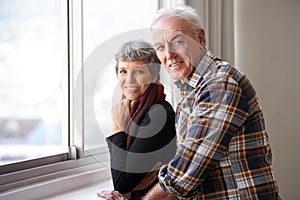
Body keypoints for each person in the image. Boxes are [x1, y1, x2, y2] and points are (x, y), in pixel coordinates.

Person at [142, 5, 281, 200]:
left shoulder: (219, 84)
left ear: (200, 38)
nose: (169, 54)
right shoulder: (191, 91)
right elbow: (185, 166)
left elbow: (187, 171)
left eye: (177, 41)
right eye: (160, 47)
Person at [97, 40, 177, 200]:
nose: (129, 80)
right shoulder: (131, 109)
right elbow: (126, 180)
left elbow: (122, 183)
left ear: (154, 75)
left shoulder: (158, 114)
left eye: (139, 71)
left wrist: (117, 129)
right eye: (123, 71)